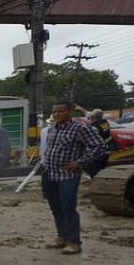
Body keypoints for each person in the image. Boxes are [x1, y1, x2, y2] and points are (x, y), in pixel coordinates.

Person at [41, 101, 109, 254]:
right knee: (56, 209)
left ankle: (74, 242)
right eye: (55, 112)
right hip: (50, 174)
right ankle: (62, 237)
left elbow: (100, 146)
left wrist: (80, 162)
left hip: (68, 176)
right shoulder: (52, 129)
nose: (57, 114)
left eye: (60, 111)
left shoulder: (80, 128)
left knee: (68, 208)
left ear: (70, 112)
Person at [83, 109, 115, 178]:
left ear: (92, 117)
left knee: (94, 169)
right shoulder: (104, 122)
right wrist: (80, 109)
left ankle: (94, 179)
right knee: (102, 167)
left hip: (99, 153)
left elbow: (90, 142)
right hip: (108, 149)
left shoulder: (94, 128)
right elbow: (89, 114)